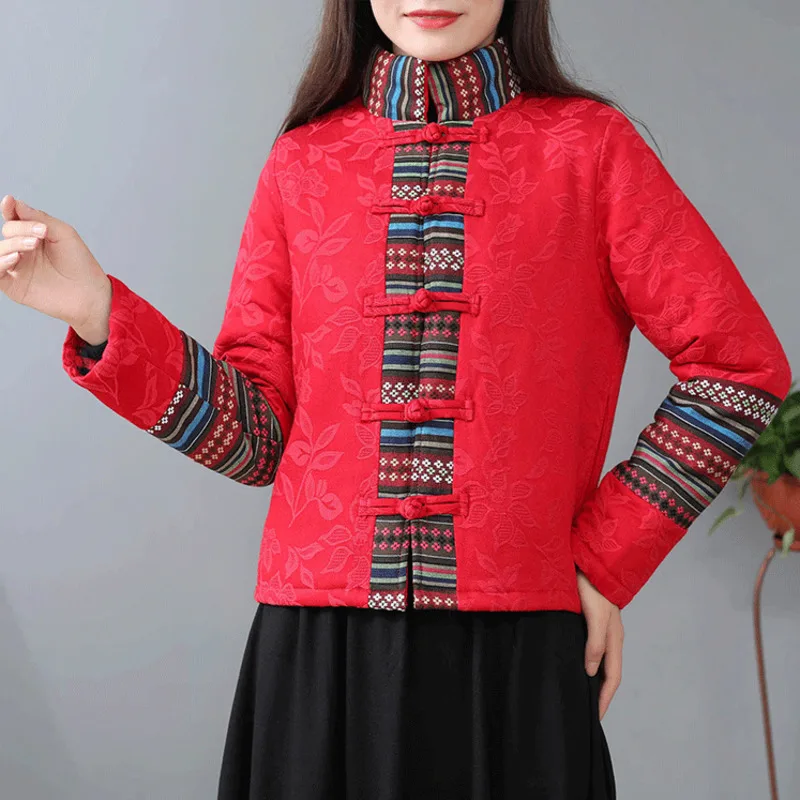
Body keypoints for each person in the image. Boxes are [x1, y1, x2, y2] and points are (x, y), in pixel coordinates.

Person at [1, 1, 792, 798]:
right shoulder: (302, 162)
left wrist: (600, 561)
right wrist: (100, 313)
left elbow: (738, 368)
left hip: (517, 652)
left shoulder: (590, 150)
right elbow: (256, 441)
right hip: (318, 658)